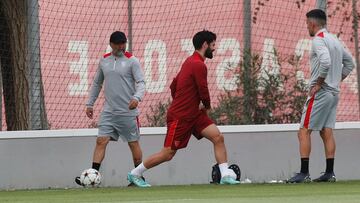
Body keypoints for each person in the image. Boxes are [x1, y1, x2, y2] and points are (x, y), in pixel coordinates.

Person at [127, 30, 240, 187]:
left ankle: (226, 175)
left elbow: (174, 85)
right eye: (213, 44)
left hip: (194, 114)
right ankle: (134, 174)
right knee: (167, 154)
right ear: (205, 44)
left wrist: (188, 102)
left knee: (217, 137)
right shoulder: (198, 64)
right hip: (181, 117)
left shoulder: (189, 61)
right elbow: (203, 90)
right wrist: (205, 106)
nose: (215, 48)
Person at [287, 9, 355, 183]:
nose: (306, 27)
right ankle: (329, 173)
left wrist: (319, 83)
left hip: (322, 92)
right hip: (333, 93)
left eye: (307, 23)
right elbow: (350, 63)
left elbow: (325, 61)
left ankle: (303, 173)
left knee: (303, 131)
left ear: (312, 23)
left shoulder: (318, 40)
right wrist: (336, 79)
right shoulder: (334, 40)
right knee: (326, 131)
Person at [75, 31, 146, 186]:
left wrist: (136, 98)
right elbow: (96, 83)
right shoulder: (104, 60)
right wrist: (89, 103)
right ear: (111, 44)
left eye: (124, 43)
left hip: (127, 112)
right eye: (118, 44)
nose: (122, 46)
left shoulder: (132, 61)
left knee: (133, 144)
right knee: (101, 141)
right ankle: (92, 177)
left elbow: (141, 83)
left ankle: (138, 177)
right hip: (109, 112)